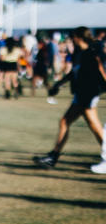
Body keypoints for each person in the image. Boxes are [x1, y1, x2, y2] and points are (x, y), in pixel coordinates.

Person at [34, 27, 105, 169]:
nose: (71, 40)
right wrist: (58, 84)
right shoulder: (79, 53)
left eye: (73, 37)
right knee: (66, 122)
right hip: (80, 93)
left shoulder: (92, 52)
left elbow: (101, 70)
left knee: (93, 125)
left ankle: (54, 157)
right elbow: (73, 73)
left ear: (79, 37)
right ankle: (53, 156)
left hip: (89, 93)